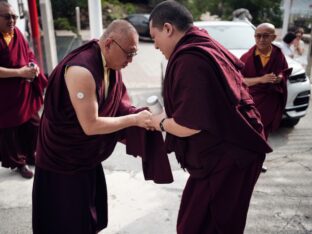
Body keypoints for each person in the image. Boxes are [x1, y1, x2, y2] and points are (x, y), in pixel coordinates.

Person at [32, 19, 173, 234]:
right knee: (65, 221)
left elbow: (117, 104)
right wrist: (134, 120)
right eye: (129, 53)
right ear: (108, 44)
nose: (130, 60)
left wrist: (139, 114)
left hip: (87, 156)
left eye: (133, 54)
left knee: (88, 217)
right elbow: (91, 125)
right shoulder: (82, 71)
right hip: (63, 160)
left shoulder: (111, 64)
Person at [148, 1, 272, 233]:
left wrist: (161, 123)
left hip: (231, 155)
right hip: (234, 146)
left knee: (204, 225)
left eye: (154, 37)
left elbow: (190, 124)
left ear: (168, 28)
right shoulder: (203, 43)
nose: (154, 45)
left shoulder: (190, 59)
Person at [0, 1, 47, 179]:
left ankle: (32, 154)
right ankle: (18, 163)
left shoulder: (17, 33)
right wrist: (20, 72)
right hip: (5, 95)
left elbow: (28, 53)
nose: (12, 20)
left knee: (33, 125)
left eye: (14, 16)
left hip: (24, 90)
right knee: (11, 132)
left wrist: (33, 66)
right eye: (7, 17)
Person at [240, 23, 289, 140]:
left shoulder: (278, 55)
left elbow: (284, 71)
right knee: (249, 134)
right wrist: (261, 80)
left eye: (266, 36)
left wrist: (280, 78)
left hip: (270, 101)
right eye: (258, 36)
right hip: (252, 102)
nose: (261, 39)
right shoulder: (246, 58)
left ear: (273, 37)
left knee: (263, 133)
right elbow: (239, 81)